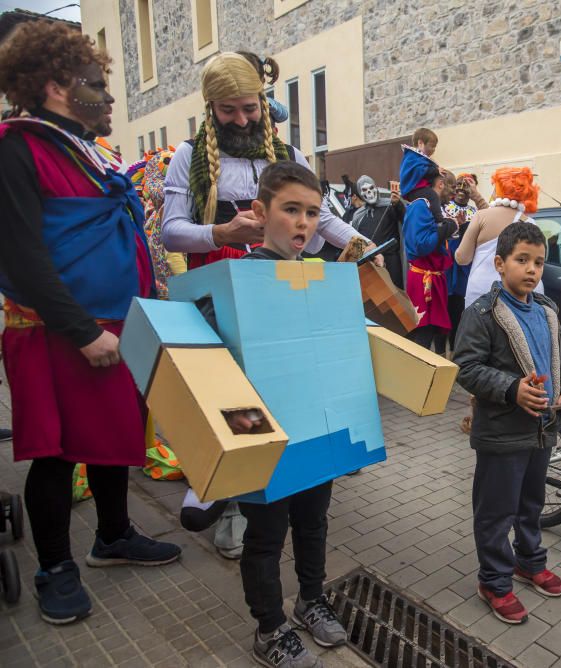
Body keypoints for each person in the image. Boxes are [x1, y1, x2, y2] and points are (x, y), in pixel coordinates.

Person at [0, 20, 181, 625]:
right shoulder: (15, 147)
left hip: (111, 323)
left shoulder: (84, 149)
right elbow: (21, 255)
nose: (108, 99)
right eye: (97, 86)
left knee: (110, 440)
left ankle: (114, 535)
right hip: (56, 331)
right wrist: (82, 331)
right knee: (55, 454)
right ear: (56, 86)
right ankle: (55, 566)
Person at [228, 161, 346, 668]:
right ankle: (269, 628)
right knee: (266, 534)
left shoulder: (318, 278)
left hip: (313, 427)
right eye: (291, 210)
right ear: (260, 212)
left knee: (314, 523)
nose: (303, 223)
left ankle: (310, 602)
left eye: (313, 213)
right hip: (261, 433)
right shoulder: (239, 277)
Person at [452, 222, 561, 624]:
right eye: (522, 260)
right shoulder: (483, 313)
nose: (531, 269)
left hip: (542, 430)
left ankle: (529, 561)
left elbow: (555, 359)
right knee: (496, 512)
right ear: (499, 263)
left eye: (539, 262)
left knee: (531, 505)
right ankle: (494, 581)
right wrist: (512, 389)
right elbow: (466, 367)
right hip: (501, 434)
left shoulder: (546, 309)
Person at [161, 52, 376, 269]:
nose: (241, 120)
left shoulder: (291, 156)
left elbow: (322, 218)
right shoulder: (188, 155)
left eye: (249, 109)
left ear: (262, 103)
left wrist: (366, 246)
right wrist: (222, 233)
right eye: (228, 110)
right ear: (211, 109)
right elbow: (171, 233)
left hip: (282, 279)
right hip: (217, 285)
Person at [455, 167, 545, 308]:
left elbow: (462, 258)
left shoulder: (481, 216)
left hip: (483, 293)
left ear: (499, 188)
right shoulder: (531, 223)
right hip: (520, 295)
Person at [400, 144, 457, 352]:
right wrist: (447, 228)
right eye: (447, 186)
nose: (451, 192)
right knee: (422, 336)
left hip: (433, 279)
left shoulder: (427, 205)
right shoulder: (420, 205)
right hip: (424, 282)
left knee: (432, 331)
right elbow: (420, 245)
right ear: (440, 184)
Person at [351, 175, 406, 288]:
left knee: (396, 292)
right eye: (365, 190)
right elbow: (356, 239)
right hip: (370, 263)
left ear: (375, 188)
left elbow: (404, 219)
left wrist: (397, 204)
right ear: (361, 194)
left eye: (371, 188)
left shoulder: (389, 205)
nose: (369, 192)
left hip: (391, 260)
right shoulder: (358, 215)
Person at [444, 173, 479, 350]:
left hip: (466, 270)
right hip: (447, 269)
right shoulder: (445, 208)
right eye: (459, 184)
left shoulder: (475, 213)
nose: (461, 189)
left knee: (462, 314)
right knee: (446, 314)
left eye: (466, 186)